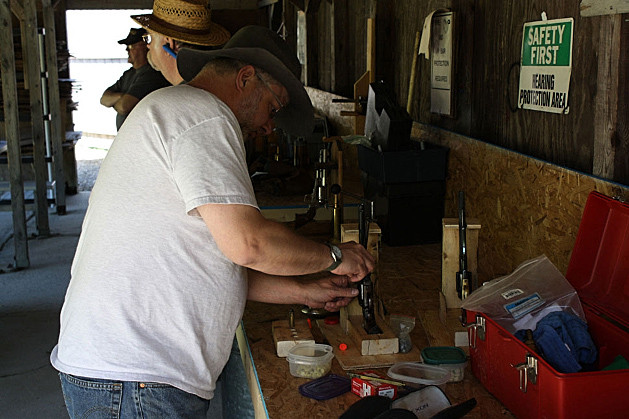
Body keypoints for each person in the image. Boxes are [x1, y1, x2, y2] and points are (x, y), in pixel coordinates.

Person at [51, 25, 375, 418]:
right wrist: (336, 256)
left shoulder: (177, 110)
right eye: (273, 109)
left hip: (127, 370)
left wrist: (303, 291)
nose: (270, 126)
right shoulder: (203, 114)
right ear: (245, 78)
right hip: (136, 377)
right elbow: (248, 245)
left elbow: (215, 262)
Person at [131, 0, 230, 85]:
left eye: (149, 38)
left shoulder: (169, 102)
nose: (147, 46)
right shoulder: (220, 84)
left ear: (169, 43)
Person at [100, 27, 170, 130]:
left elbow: (124, 107)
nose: (127, 50)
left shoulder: (151, 74)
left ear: (144, 46)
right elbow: (104, 99)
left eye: (130, 46)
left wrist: (118, 101)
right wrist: (122, 96)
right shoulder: (128, 74)